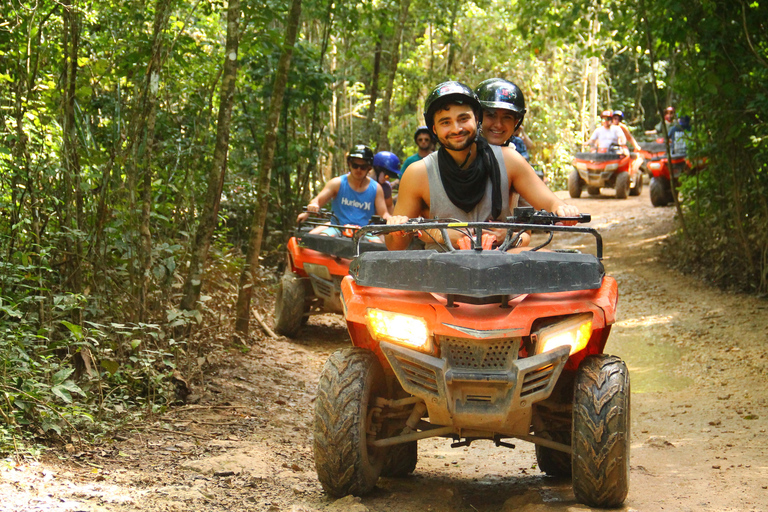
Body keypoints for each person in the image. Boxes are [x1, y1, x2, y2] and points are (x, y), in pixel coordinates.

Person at [385, 80, 577, 251]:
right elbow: (395, 247)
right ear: (434, 129)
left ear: (477, 120)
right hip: (439, 273)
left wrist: (562, 209)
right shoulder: (418, 173)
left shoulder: (510, 160)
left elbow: (550, 202)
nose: (456, 129)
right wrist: (402, 228)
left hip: (501, 265)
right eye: (445, 122)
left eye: (463, 119)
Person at [297, 144, 390, 237]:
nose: (358, 170)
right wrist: (312, 207)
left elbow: (384, 214)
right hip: (337, 229)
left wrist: (391, 220)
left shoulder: (376, 188)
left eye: (363, 167)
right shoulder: (337, 183)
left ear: (369, 168)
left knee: (379, 248)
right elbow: (317, 201)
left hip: (365, 233)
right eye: (355, 165)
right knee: (319, 243)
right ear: (349, 164)